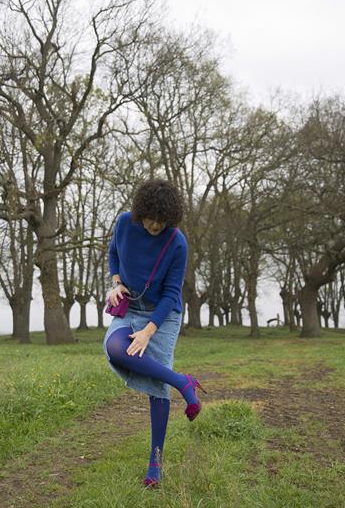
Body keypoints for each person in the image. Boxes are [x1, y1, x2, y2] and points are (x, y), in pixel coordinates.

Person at [102, 178, 207, 488]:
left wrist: (149, 331)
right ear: (141, 212)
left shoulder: (177, 243)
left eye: (162, 222)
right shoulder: (124, 223)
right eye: (150, 219)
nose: (155, 226)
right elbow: (113, 255)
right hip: (129, 306)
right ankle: (182, 381)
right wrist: (116, 281)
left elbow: (172, 292)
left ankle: (155, 462)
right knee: (117, 348)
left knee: (156, 388)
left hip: (163, 314)